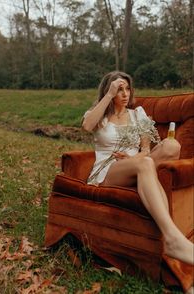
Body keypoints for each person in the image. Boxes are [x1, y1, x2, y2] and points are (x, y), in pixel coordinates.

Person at [82, 71, 194, 268]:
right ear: (109, 91)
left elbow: (145, 150)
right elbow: (87, 126)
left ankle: (169, 235)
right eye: (119, 90)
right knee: (146, 164)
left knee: (171, 146)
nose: (125, 94)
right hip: (109, 170)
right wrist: (108, 95)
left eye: (127, 88)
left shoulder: (137, 114)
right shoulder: (100, 116)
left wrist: (133, 159)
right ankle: (172, 238)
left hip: (139, 163)